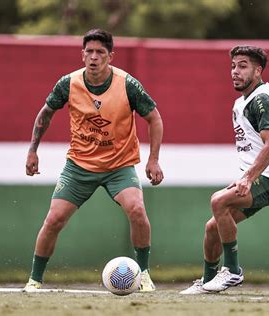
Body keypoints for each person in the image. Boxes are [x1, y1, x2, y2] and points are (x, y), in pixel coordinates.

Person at [23, 29, 164, 292]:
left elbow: (154, 118)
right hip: (79, 166)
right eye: (89, 51)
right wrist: (33, 150)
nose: (94, 57)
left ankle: (143, 274)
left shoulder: (127, 84)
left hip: (119, 166)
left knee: (137, 210)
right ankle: (34, 280)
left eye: (100, 52)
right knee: (53, 220)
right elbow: (46, 114)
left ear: (111, 56)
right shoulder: (68, 83)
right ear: (82, 54)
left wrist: (153, 160)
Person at [180, 45, 269, 294]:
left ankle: (233, 272)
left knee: (219, 201)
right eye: (233, 66)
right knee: (212, 227)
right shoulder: (255, 97)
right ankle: (207, 281)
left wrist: (250, 177)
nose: (235, 71)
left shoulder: (262, 100)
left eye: (243, 66)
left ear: (258, 71)